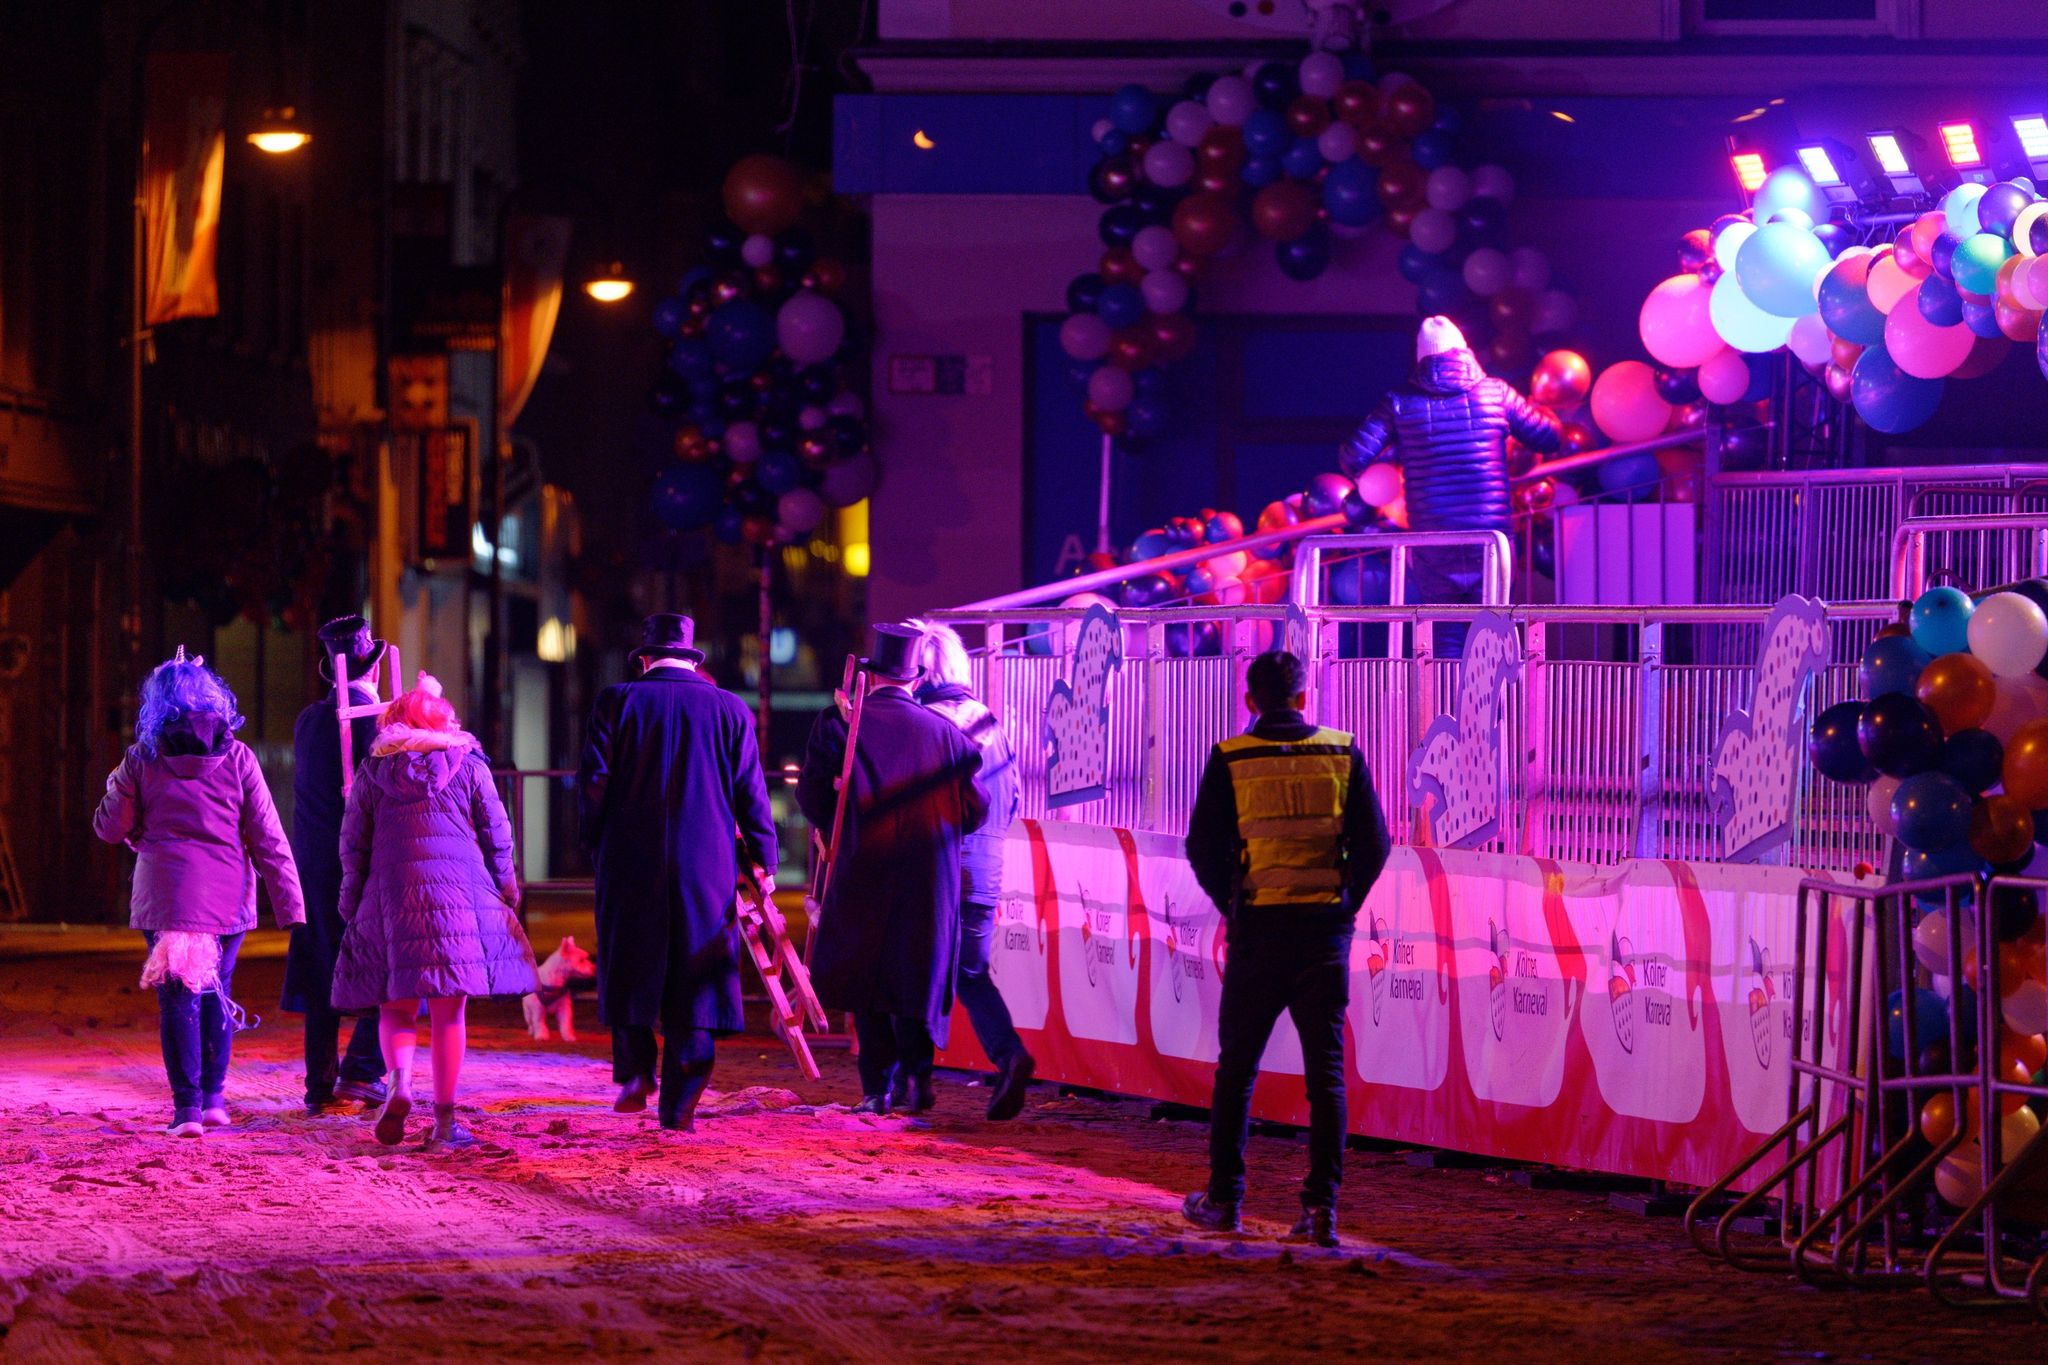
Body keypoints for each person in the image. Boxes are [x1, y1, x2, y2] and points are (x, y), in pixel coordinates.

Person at [1179, 651, 1390, 1248]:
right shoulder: (1342, 753)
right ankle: (1321, 1211)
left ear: (1251, 701)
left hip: (1259, 935)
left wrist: (1235, 905)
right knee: (1326, 1076)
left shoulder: (1231, 757)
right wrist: (1342, 907)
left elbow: (1201, 847)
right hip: (1323, 936)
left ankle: (1224, 1200)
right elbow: (1374, 845)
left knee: (1237, 1071)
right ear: (1304, 697)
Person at [576, 614, 777, 1132]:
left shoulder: (615, 701)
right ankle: (680, 1106)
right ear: (692, 660)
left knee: (630, 964)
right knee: (697, 979)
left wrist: (596, 846)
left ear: (644, 659)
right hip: (705, 864)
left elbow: (594, 784)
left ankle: (636, 1071)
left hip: (629, 859)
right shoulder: (729, 709)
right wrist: (763, 857)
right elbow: (750, 791)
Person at [93, 649, 305, 1137]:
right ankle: (214, 1100)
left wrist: (117, 793)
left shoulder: (142, 759)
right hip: (226, 898)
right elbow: (268, 837)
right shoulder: (239, 759)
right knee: (217, 992)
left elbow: (110, 828)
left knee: (177, 1001)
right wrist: (291, 906)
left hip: (165, 895)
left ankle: (186, 1109)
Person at [331, 673, 538, 1148]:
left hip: (390, 899)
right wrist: (507, 886)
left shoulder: (372, 771)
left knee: (396, 1004)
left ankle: (400, 1084)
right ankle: (444, 1123)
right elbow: (497, 833)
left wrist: (351, 899)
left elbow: (352, 845)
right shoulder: (468, 765)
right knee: (449, 1014)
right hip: (458, 900)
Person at [798, 623, 988, 1115]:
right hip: (929, 876)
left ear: (871, 675)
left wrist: (839, 822)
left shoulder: (840, 724)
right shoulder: (948, 735)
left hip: (864, 865)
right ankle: (917, 1079)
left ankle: (877, 1087)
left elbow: (814, 796)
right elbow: (976, 809)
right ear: (916, 679)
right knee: (917, 973)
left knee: (869, 975)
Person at [1341, 314, 1559, 653]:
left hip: (1434, 540)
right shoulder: (1495, 393)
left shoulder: (1399, 402)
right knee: (1493, 640)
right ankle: (1496, 707)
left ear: (1421, 360)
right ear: (1464, 352)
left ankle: (1447, 704)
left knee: (1444, 638)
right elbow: (1548, 438)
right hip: (1491, 540)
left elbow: (1353, 456)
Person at [907, 619, 1036, 1121]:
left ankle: (909, 1081)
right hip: (987, 866)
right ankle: (1008, 1054)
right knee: (971, 973)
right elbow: (1013, 795)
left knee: (916, 970)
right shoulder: (987, 720)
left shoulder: (925, 723)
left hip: (941, 865)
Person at [281, 615, 388, 1113]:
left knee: (323, 961)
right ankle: (363, 1069)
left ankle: (320, 1085)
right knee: (390, 963)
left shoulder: (308, 722)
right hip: (367, 863)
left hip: (316, 865)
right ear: (375, 667)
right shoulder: (385, 722)